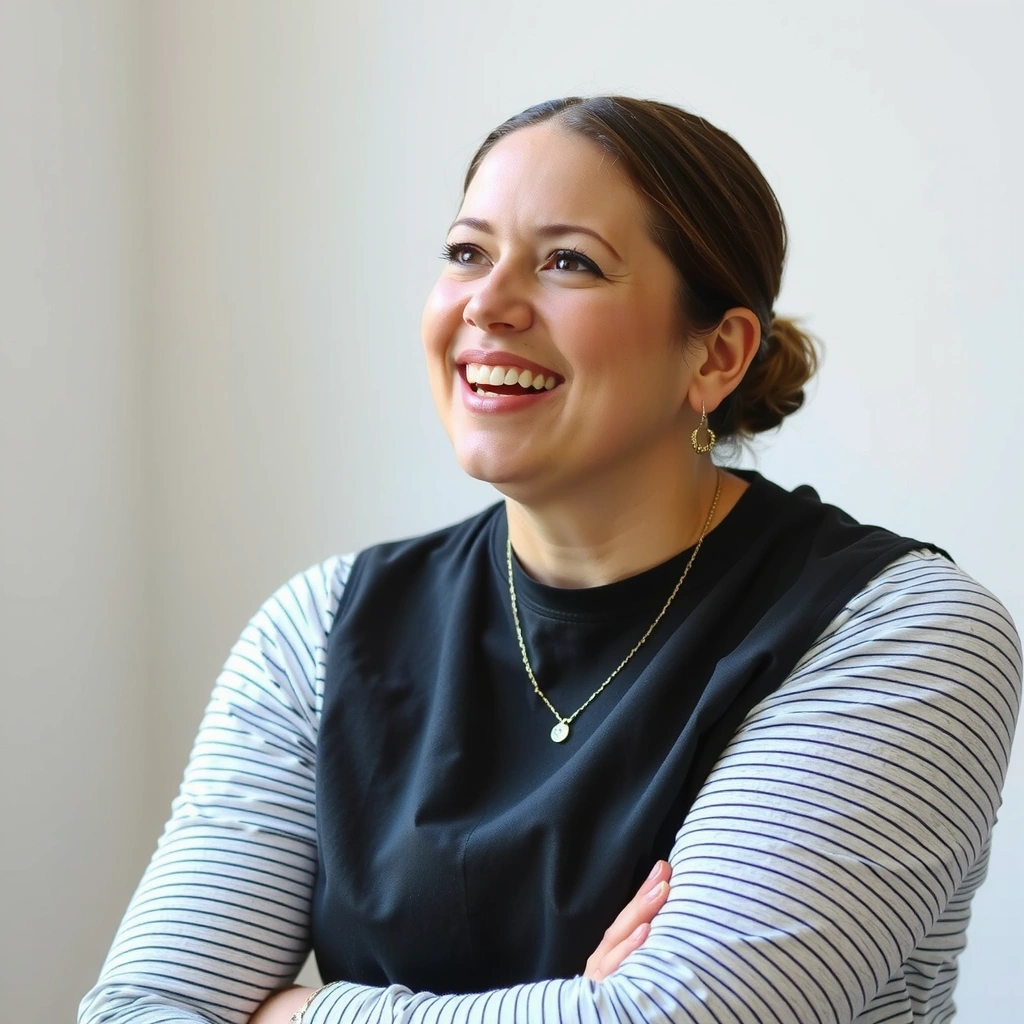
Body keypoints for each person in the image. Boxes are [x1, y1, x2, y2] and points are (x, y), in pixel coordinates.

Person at [80, 96, 1021, 1024]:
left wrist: (298, 1014)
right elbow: (140, 1008)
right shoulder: (321, 629)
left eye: (569, 262)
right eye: (466, 253)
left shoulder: (899, 635)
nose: (488, 305)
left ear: (716, 355)